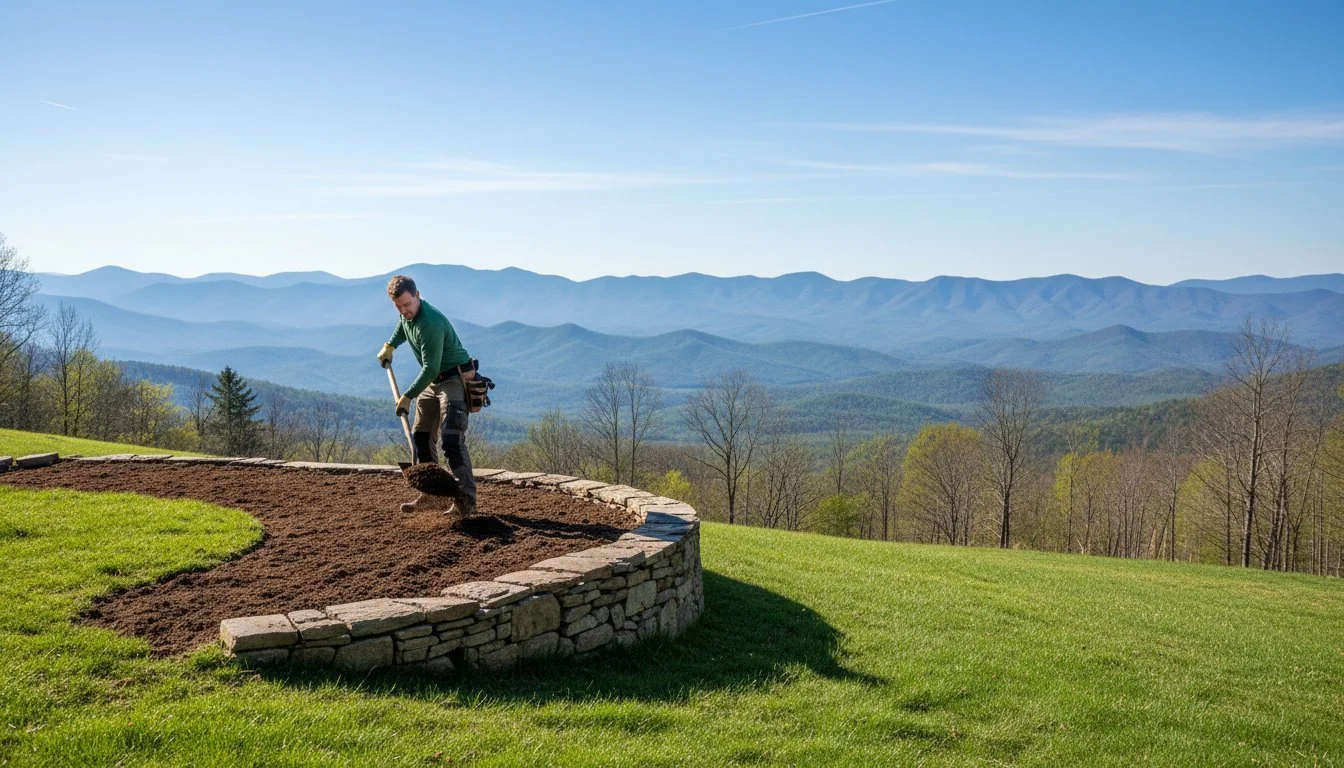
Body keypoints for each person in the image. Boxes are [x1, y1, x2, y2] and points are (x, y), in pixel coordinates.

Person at [377, 274, 477, 516]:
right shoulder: (408, 316)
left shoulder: (430, 323)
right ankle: (433, 496)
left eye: (407, 304)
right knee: (420, 438)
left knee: (452, 441)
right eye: (399, 307)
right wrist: (390, 345)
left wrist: (408, 396)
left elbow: (430, 368)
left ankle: (466, 501)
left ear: (418, 296)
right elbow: (403, 327)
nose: (404, 311)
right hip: (433, 381)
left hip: (453, 379)